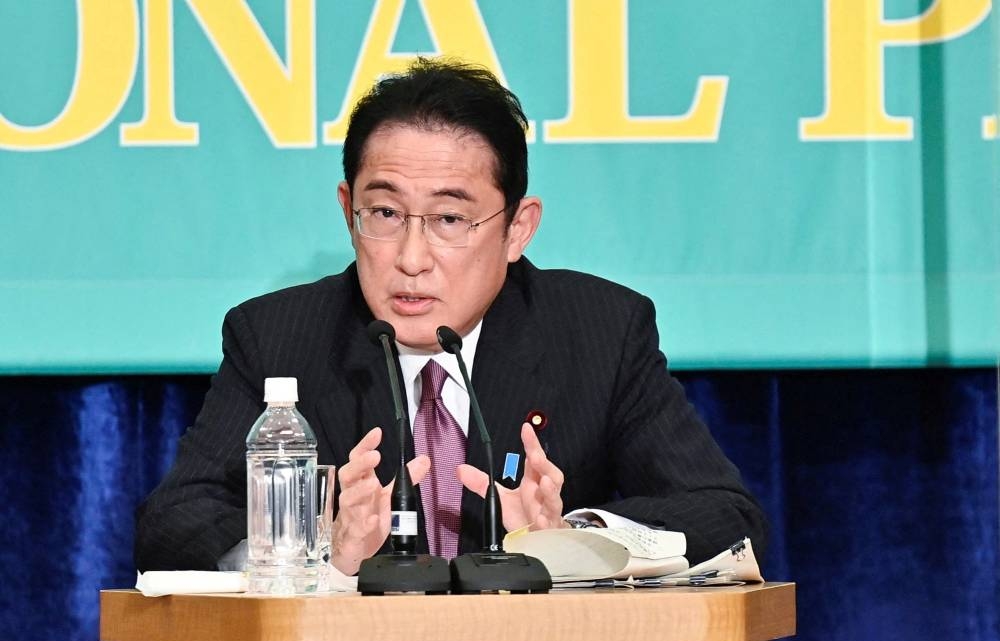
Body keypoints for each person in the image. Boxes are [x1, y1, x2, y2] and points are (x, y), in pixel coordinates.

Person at [134, 57, 767, 575]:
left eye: (449, 219)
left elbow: (728, 517)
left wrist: (571, 540)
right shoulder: (278, 336)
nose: (411, 259)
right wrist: (319, 543)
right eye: (383, 214)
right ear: (347, 209)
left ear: (517, 229)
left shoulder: (600, 330)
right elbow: (173, 522)